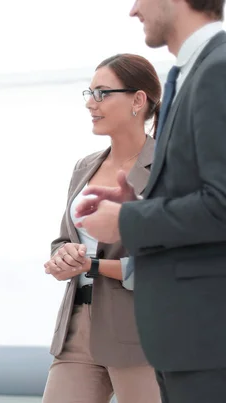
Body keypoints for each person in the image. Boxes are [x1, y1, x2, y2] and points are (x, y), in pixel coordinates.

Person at [75, 1, 226, 401]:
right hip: (184, 341)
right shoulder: (190, 73)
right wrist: (138, 201)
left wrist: (127, 220)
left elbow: (222, 206)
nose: (133, 10)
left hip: (206, 339)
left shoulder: (217, 69)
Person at [41, 54, 162, 403]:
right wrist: (62, 256)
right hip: (77, 325)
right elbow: (65, 237)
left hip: (142, 330)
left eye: (103, 93)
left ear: (138, 100)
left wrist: (92, 266)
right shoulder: (85, 167)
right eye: (89, 93)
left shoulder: (169, 168)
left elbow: (164, 261)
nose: (91, 104)